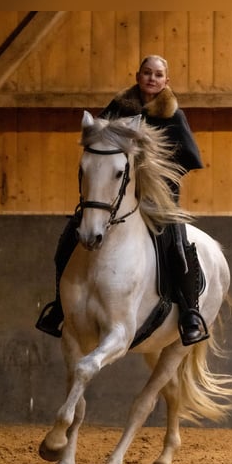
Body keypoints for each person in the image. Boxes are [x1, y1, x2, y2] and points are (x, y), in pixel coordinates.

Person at [36, 54, 209, 346]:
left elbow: (191, 158)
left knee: (177, 242)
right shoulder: (119, 107)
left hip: (157, 196)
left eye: (158, 75)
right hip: (116, 194)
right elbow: (98, 140)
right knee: (70, 235)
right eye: (147, 73)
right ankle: (58, 306)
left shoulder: (173, 115)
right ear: (138, 75)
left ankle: (189, 312)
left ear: (166, 81)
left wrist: (155, 171)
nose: (152, 79)